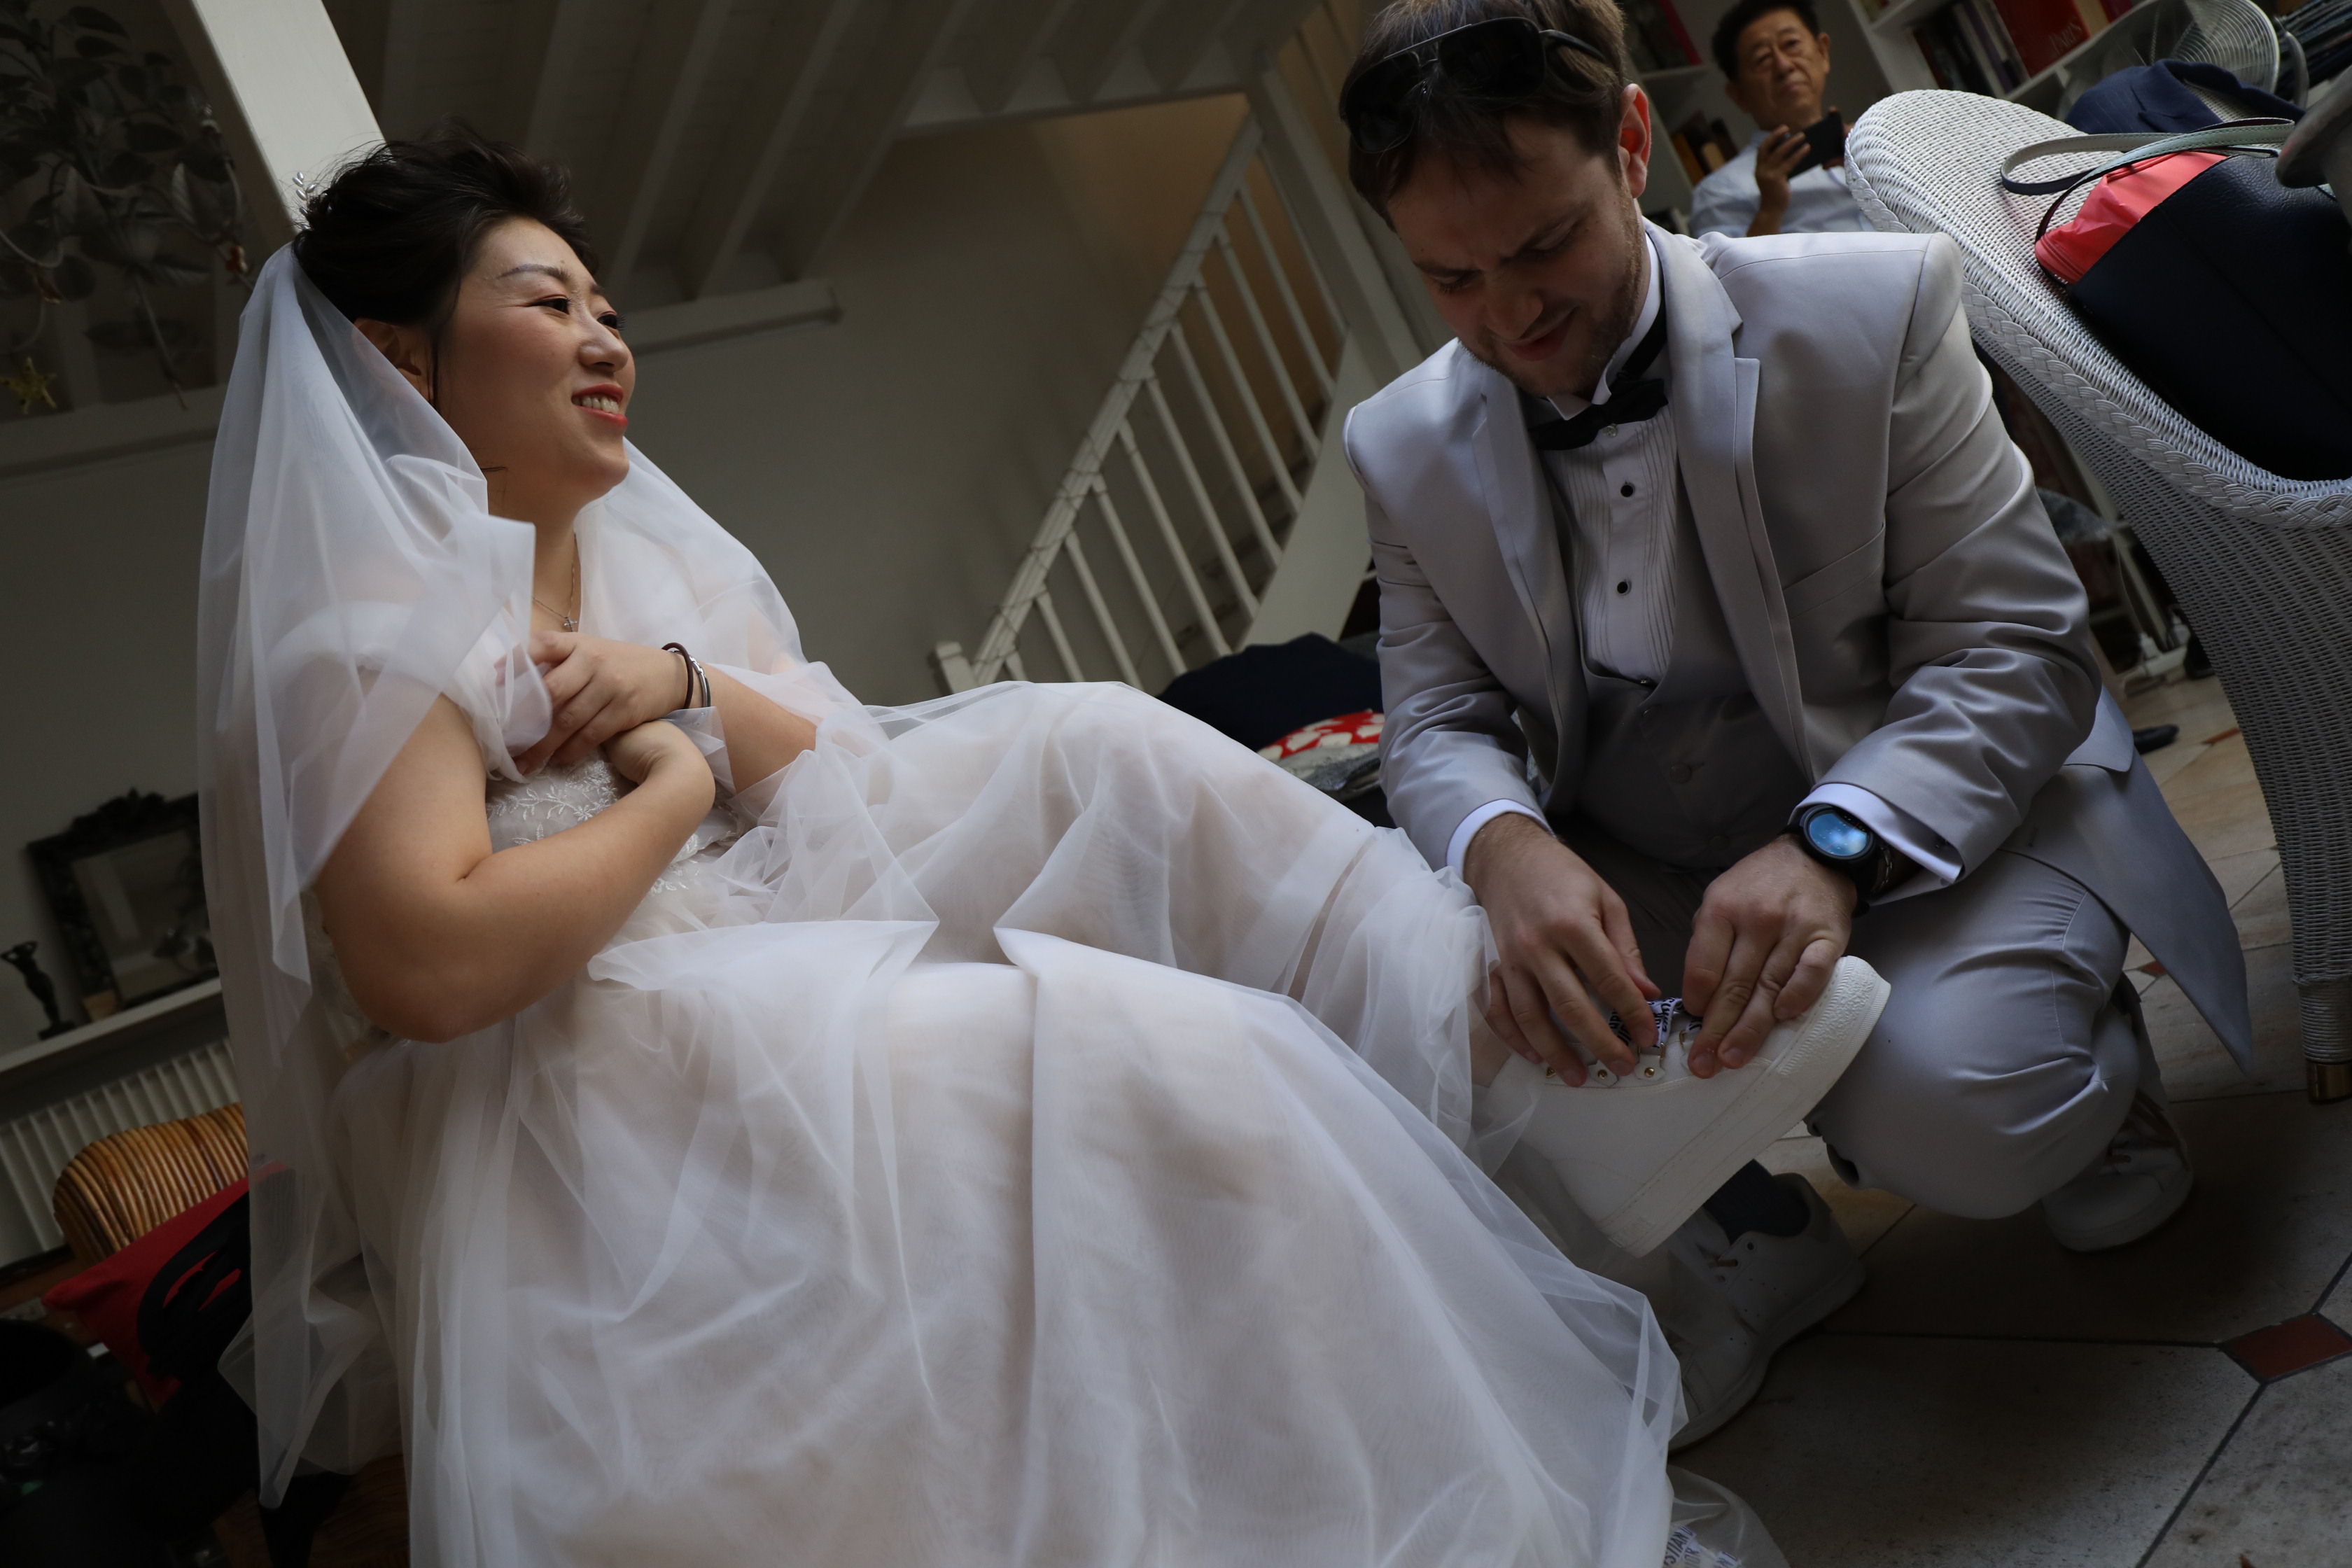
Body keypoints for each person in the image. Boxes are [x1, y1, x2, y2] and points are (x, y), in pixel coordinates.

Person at [197, 125, 1798, 1566]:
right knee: (1209, 1066)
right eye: (549, 305)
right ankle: (1502, 1243)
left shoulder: (633, 565)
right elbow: (428, 966)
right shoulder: (368, 635)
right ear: (397, 359)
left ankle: (1527, 1045)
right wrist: (673, 789)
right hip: (588, 1105)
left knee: (1094, 742)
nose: (607, 339)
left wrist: (678, 687)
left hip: (759, 978)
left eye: (606, 305)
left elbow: (836, 762)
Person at [1336, 0, 2250, 1443]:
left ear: (1630, 141)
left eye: (1544, 247)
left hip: (1925, 825)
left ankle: (2084, 1059)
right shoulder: (1396, 443)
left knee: (1969, 1116)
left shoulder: (1871, 310)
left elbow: (2018, 644)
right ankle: (1748, 1229)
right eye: (1450, 278)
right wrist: (1507, 847)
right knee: (1399, 1003)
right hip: (1644, 855)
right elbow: (1437, 718)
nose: (1509, 318)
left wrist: (1834, 844)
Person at [1686, 0, 1868, 239]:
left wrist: (1877, 167)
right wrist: (1770, 210)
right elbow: (1726, 265)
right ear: (1738, 94)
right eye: (1762, 58)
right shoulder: (1720, 192)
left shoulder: (1875, 147)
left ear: (1823, 53)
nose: (1783, 66)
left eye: (1791, 44)